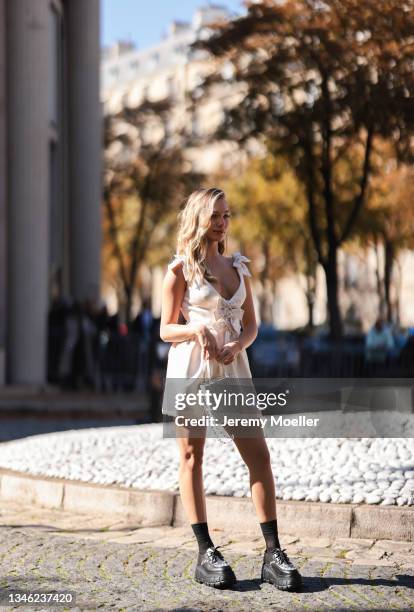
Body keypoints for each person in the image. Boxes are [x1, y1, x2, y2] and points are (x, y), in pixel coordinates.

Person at [159, 187, 302, 592]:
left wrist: (239, 343)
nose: (223, 222)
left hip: (233, 371)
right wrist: (196, 329)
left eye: (227, 215)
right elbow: (166, 328)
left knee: (259, 456)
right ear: (199, 218)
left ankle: (272, 553)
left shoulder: (238, 267)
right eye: (216, 215)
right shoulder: (179, 271)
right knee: (191, 456)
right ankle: (205, 550)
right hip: (189, 368)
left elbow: (252, 324)